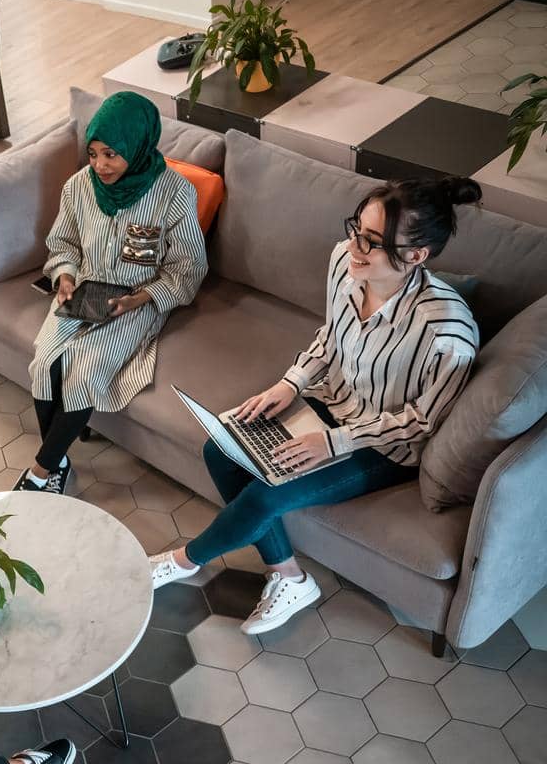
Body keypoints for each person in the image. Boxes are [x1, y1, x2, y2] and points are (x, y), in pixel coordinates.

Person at [151, 178, 482, 634]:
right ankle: (289, 576)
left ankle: (180, 562)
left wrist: (334, 442)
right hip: (330, 403)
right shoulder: (343, 263)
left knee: (265, 496)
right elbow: (331, 338)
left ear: (415, 256)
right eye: (356, 230)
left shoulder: (448, 332)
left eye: (372, 241)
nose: (354, 246)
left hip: (384, 447)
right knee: (219, 449)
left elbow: (423, 423)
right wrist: (290, 384)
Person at [18, 90, 209, 495]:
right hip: (83, 291)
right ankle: (59, 462)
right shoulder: (77, 188)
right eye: (93, 154)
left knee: (84, 372)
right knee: (45, 364)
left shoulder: (175, 193)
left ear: (137, 147)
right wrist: (65, 278)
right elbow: (64, 243)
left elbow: (189, 267)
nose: (100, 166)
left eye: (111, 154)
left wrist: (139, 299)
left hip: (138, 300)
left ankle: (40, 472)